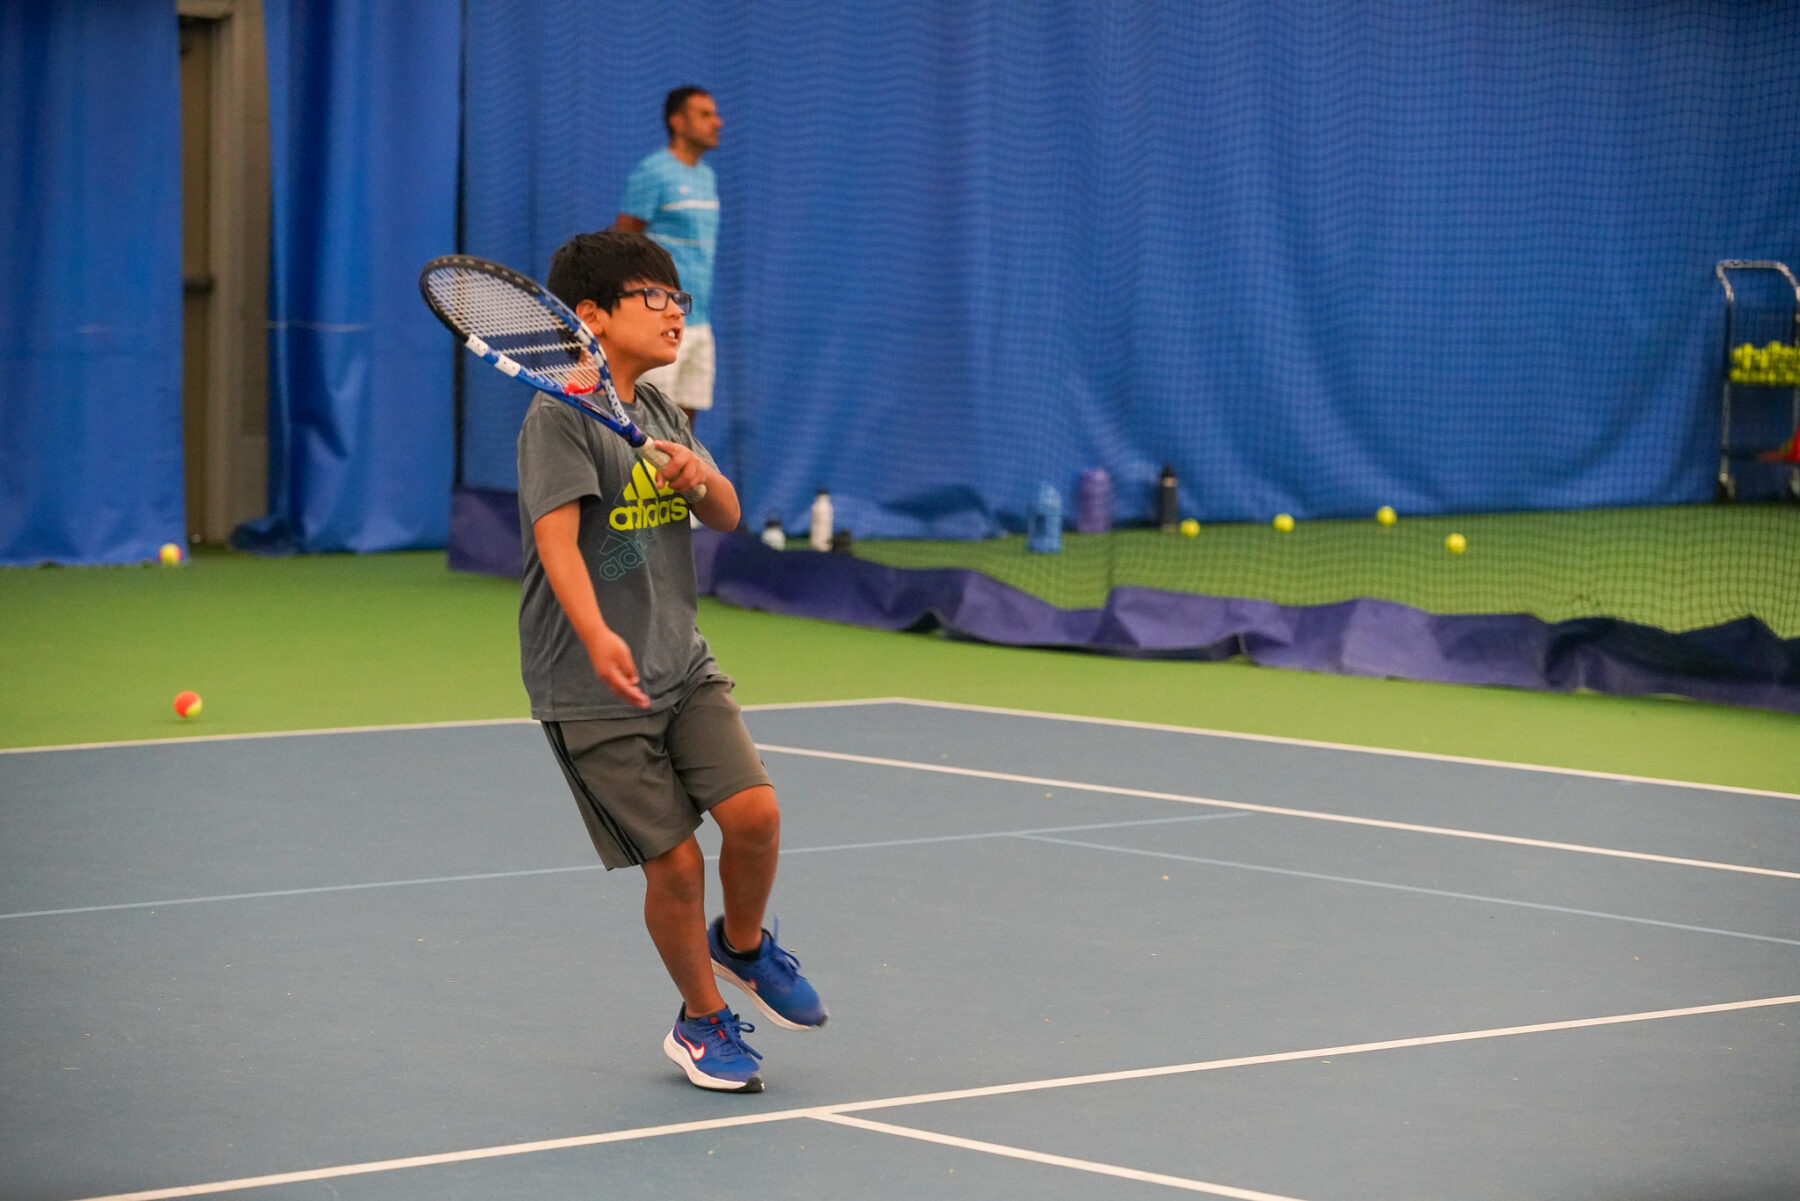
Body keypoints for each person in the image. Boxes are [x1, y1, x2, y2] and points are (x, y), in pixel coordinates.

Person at [518, 230, 825, 1093]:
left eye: (680, 299)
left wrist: (696, 474)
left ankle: (745, 944)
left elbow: (725, 513)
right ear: (592, 317)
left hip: (681, 663)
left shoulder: (654, 409)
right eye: (656, 297)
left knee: (756, 815)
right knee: (678, 864)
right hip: (594, 683)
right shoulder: (557, 417)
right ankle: (701, 1022)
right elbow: (557, 544)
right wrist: (594, 632)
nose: (676, 312)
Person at [612, 86, 722, 429]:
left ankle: (674, 487)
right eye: (705, 114)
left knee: (685, 424)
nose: (717, 122)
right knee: (651, 423)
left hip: (699, 318)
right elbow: (624, 239)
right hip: (660, 318)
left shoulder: (707, 176)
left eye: (715, 114)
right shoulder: (653, 171)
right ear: (678, 122)